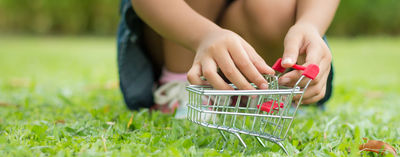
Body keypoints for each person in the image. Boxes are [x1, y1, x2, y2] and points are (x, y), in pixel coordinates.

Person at [117, 0, 339, 118]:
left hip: (246, 23)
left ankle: (252, 89)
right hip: (173, 34)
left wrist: (310, 25)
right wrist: (204, 35)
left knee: (275, 6)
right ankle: (181, 86)